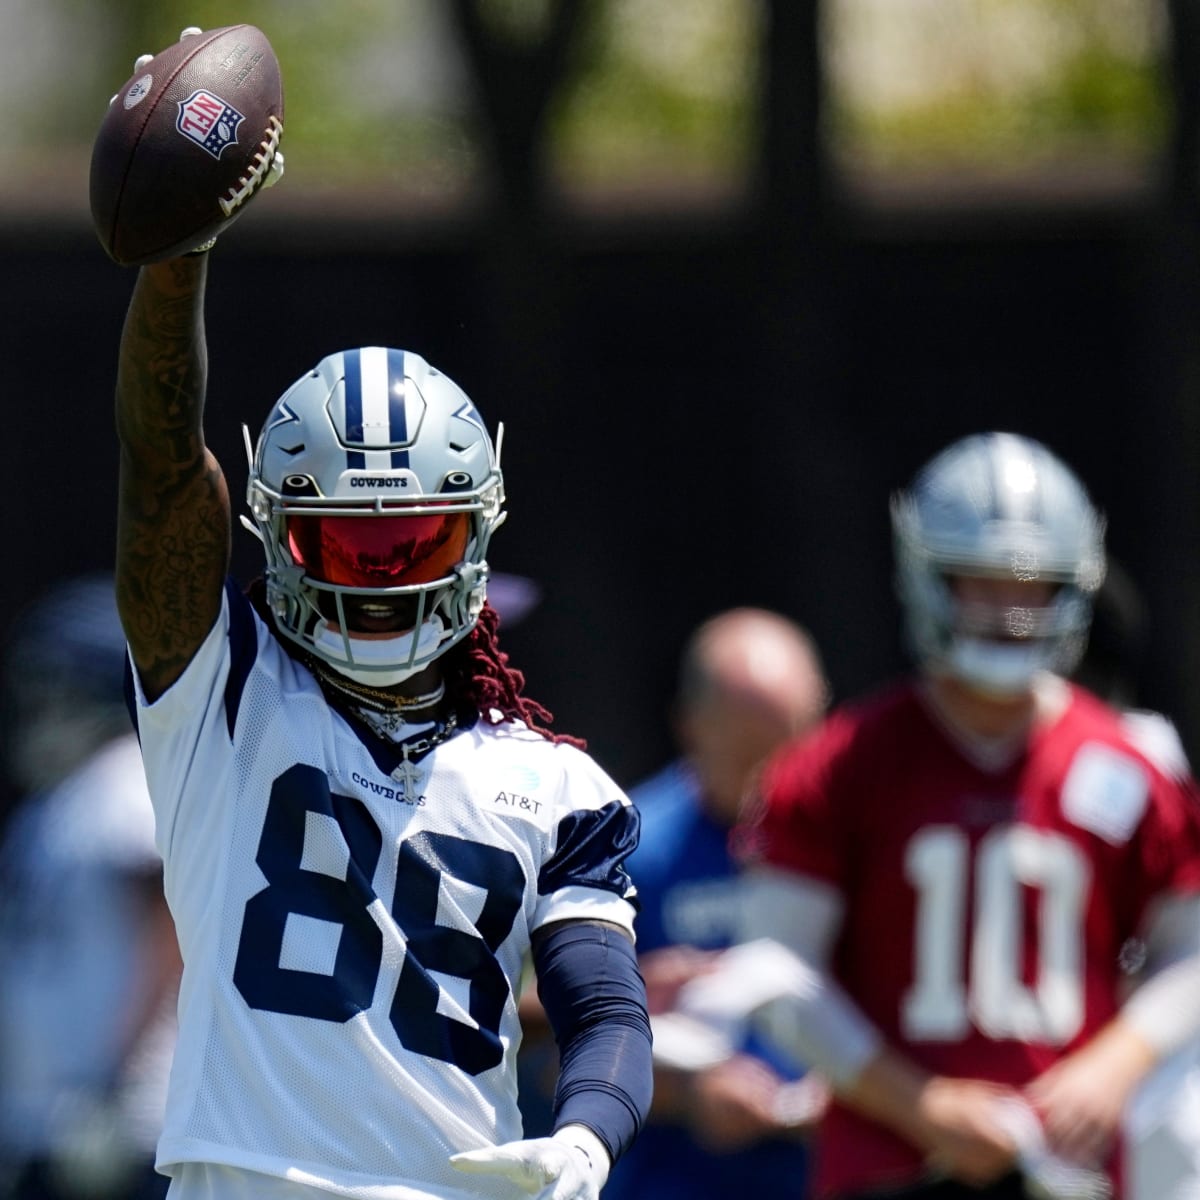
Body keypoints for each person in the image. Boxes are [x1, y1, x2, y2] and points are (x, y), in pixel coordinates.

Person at [102, 30, 652, 1200]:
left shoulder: (557, 788)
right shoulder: (225, 699)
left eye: (412, 541)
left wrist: (588, 1134)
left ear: (479, 533)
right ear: (270, 533)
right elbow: (158, 470)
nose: (383, 577)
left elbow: (605, 1005)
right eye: (344, 544)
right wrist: (178, 253)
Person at [736, 432, 1200, 1200]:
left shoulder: (1128, 765)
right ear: (929, 576)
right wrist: (919, 1102)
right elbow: (776, 968)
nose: (1009, 610)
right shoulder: (842, 763)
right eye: (982, 582)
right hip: (887, 1165)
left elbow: (1190, 954)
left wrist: (1114, 1065)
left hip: (1066, 1170)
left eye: (1031, 586)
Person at [600, 607, 831, 1200]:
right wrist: (689, 1095)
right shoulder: (627, 853)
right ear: (691, 727)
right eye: (750, 759)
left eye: (792, 755)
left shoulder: (858, 842)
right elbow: (557, 1058)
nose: (772, 786)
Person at [0, 574, 179, 1200]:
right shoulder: (63, 801)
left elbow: (171, 930)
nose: (39, 711)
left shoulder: (126, 782)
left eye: (52, 690)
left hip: (123, 1122)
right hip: (58, 1120)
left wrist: (108, 1089)